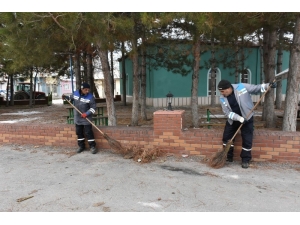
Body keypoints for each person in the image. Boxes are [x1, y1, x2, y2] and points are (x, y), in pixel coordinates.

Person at [217, 79, 276, 169]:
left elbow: (256, 88)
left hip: (247, 117)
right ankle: (228, 157)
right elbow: (227, 113)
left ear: (228, 88)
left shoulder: (241, 87)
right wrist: (239, 118)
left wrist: (268, 85)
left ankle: (245, 159)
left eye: (222, 91)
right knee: (226, 138)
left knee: (247, 139)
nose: (222, 93)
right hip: (233, 120)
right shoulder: (222, 98)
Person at [62, 83, 97, 154]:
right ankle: (81, 146)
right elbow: (70, 98)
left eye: (88, 90)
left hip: (86, 118)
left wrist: (86, 113)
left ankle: (92, 147)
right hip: (77, 117)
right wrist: (65, 97)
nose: (87, 91)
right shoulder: (76, 93)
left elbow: (93, 108)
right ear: (82, 89)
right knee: (79, 132)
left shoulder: (90, 97)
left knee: (88, 132)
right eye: (85, 90)